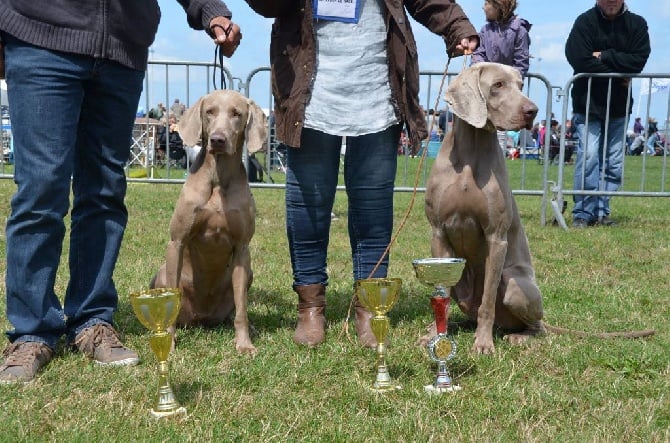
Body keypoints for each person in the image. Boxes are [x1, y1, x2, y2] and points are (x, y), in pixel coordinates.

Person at [0, 1, 242, 384]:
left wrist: (210, 10)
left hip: (121, 49)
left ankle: (92, 320)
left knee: (104, 192)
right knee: (40, 189)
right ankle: (31, 331)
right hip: (40, 35)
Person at [245, 0, 478, 348]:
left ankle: (370, 308)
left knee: (373, 207)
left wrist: (457, 27)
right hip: (308, 94)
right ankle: (310, 307)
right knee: (308, 205)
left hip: (377, 92)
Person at [565, 0, 650, 228]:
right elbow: (579, 58)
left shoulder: (637, 24)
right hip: (587, 103)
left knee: (613, 163)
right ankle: (583, 212)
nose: (611, 2)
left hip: (619, 106)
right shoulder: (584, 22)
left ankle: (601, 211)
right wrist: (618, 71)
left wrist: (603, 55)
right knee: (589, 156)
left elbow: (638, 61)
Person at [471, 0, 532, 154]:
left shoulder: (519, 30)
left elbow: (521, 63)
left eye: (487, 3)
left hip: (508, 93)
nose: (483, 7)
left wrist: (507, 81)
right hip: (487, 90)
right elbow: (478, 53)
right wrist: (481, 70)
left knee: (501, 132)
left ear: (499, 5)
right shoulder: (485, 30)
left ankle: (497, 162)